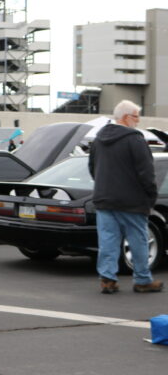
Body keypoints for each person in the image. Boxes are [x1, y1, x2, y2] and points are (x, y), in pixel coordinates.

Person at [88, 100, 162, 294]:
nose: (138, 121)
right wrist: (150, 196)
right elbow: (146, 172)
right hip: (132, 201)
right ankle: (142, 280)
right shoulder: (135, 139)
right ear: (126, 117)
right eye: (136, 116)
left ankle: (107, 279)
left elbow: (92, 168)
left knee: (108, 241)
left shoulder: (98, 139)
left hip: (104, 198)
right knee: (138, 241)